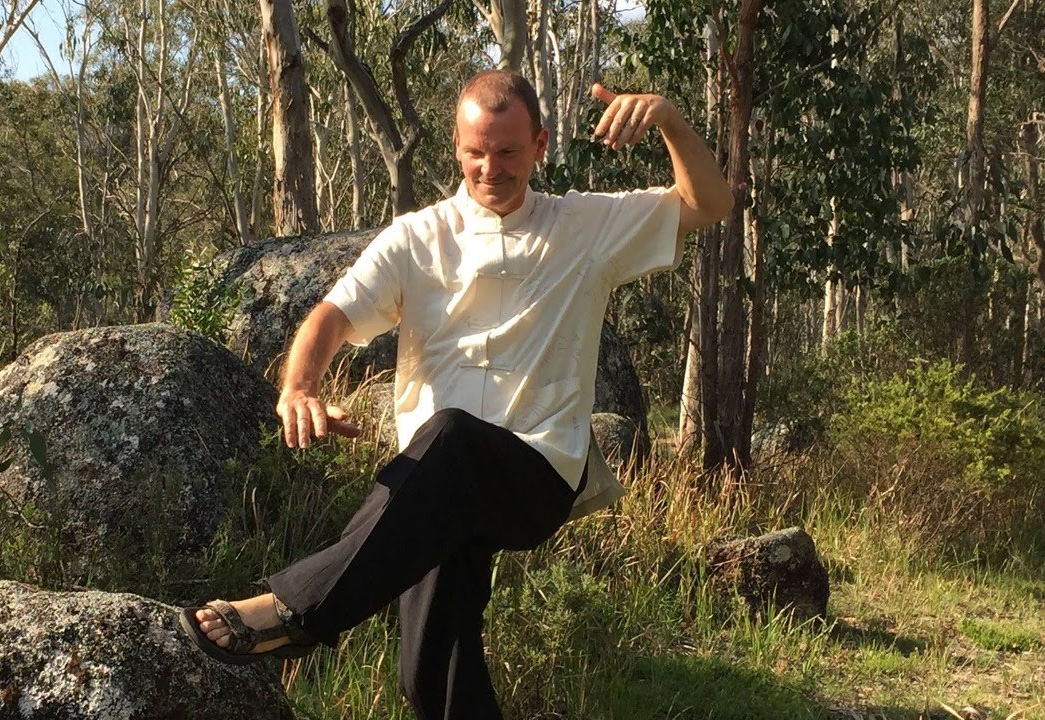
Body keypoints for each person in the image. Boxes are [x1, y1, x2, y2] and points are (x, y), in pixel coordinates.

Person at [179, 69, 732, 719]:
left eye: (507, 152)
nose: (490, 168)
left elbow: (711, 202)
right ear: (456, 147)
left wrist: (666, 115)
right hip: (437, 485)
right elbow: (330, 315)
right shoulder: (417, 239)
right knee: (434, 671)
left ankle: (294, 610)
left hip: (537, 472)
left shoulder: (586, 226)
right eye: (476, 152)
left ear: (540, 146)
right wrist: (298, 388)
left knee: (452, 434)